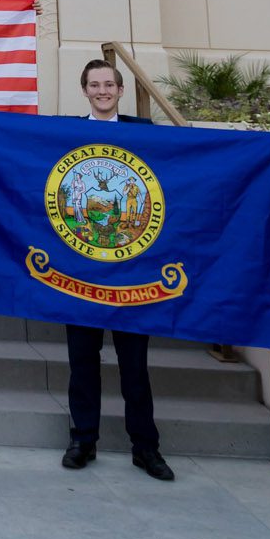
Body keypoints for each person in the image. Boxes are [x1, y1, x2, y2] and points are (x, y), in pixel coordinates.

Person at [61, 57, 174, 481]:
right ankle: (82, 439)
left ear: (121, 91)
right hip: (78, 273)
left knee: (135, 368)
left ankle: (146, 448)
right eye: (95, 85)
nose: (103, 91)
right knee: (82, 363)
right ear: (85, 90)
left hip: (133, 276)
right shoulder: (66, 132)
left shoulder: (144, 134)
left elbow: (196, 156)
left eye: (109, 84)